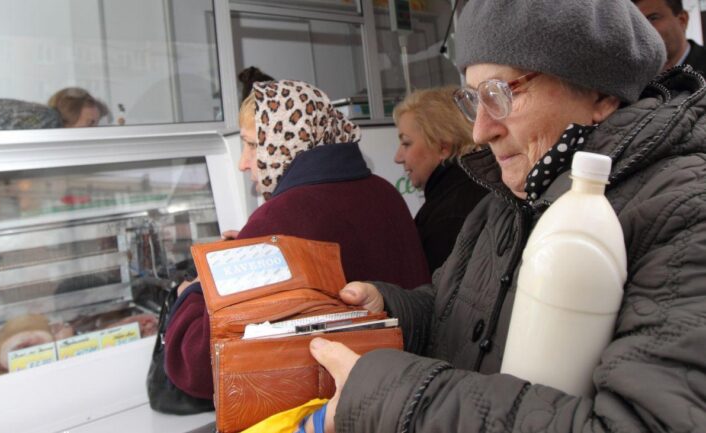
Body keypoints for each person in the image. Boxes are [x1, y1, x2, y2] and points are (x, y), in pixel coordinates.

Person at [302, 1, 706, 432]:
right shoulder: (506, 200)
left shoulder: (683, 210)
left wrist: (392, 397)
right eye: (473, 99)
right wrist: (389, 309)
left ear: (601, 94)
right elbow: (454, 313)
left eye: (501, 93)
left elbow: (642, 423)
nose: (480, 130)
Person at [163, 80, 431, 402]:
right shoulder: (386, 193)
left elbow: (199, 367)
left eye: (252, 145)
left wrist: (194, 290)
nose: (243, 162)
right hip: (412, 392)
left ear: (284, 142)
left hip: (335, 412)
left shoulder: (273, 223)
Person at [393, 86, 487, 273]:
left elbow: (440, 289)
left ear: (443, 147)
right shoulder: (472, 190)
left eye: (406, 143)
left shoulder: (449, 216)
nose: (398, 157)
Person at [633, 0, 706, 73]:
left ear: (682, 20)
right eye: (637, 23)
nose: (642, 30)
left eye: (653, 18)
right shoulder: (637, 74)